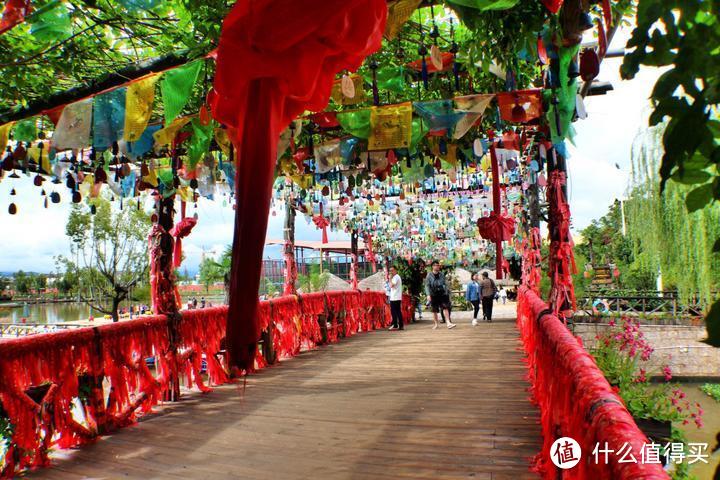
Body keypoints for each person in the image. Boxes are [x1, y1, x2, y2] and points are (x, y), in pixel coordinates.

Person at [425, 261, 456, 330]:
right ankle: (436, 324)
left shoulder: (441, 274)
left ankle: (448, 323)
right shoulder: (429, 275)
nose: (438, 266)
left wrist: (448, 291)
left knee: (445, 307)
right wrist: (428, 295)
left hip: (442, 293)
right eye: (436, 265)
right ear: (433, 266)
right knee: (434, 310)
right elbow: (427, 286)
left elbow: (446, 283)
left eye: (438, 265)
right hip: (433, 294)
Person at [388, 265, 404, 331]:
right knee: (398, 312)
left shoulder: (395, 277)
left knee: (394, 312)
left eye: (392, 270)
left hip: (395, 297)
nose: (391, 272)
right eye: (390, 271)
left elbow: (391, 285)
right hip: (396, 297)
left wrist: (390, 278)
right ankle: (400, 325)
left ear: (396, 270)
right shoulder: (397, 277)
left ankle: (395, 325)